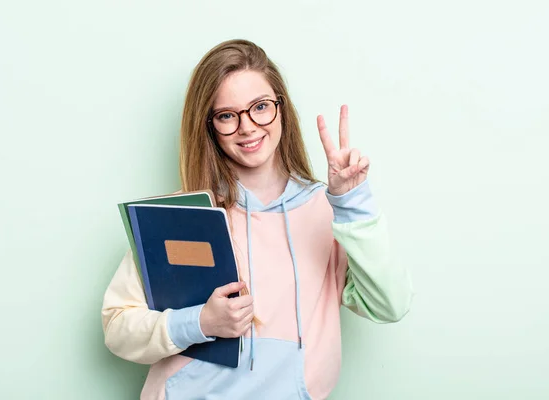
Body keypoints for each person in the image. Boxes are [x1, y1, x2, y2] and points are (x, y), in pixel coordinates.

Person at [101, 39, 413, 400]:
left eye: (260, 107)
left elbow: (390, 304)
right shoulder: (182, 215)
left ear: (281, 109)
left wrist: (352, 202)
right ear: (209, 126)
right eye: (227, 115)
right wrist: (200, 322)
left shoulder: (330, 211)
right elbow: (117, 327)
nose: (247, 127)